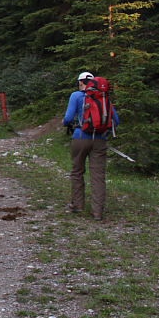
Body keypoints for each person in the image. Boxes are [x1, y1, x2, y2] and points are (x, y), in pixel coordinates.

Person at [62, 72, 120, 221]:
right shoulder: (103, 97)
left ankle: (78, 205)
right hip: (100, 140)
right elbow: (116, 120)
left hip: (80, 137)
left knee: (77, 171)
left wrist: (66, 123)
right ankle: (97, 212)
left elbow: (68, 118)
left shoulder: (76, 96)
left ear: (81, 82)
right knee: (98, 175)